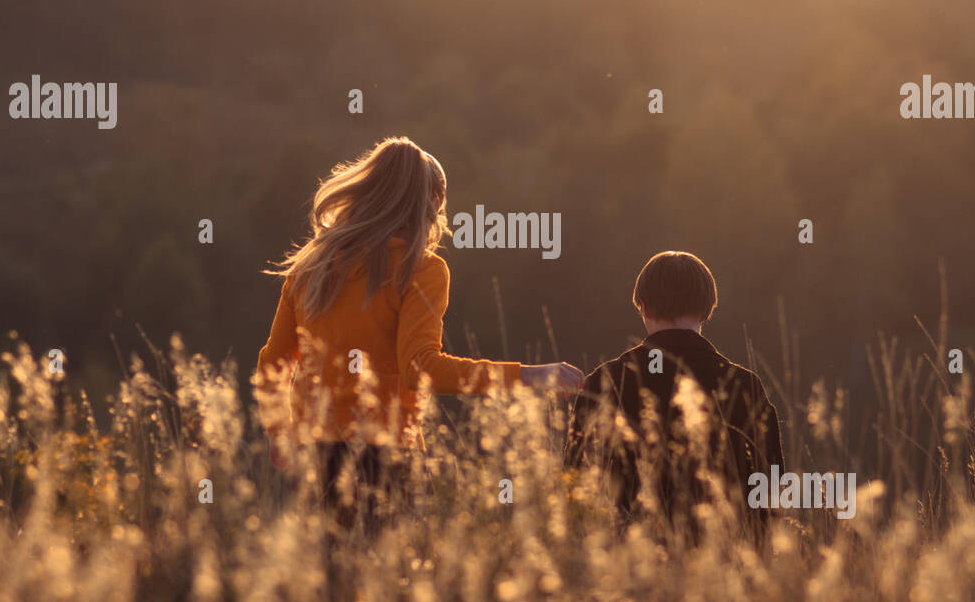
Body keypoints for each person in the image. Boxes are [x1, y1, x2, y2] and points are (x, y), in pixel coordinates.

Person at [256, 136, 582, 535]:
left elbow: (274, 361)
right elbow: (420, 368)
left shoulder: (310, 267)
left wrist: (278, 433)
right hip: (385, 460)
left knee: (318, 588)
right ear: (429, 205)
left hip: (311, 453)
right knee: (388, 589)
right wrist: (529, 376)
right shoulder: (421, 269)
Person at [565, 250, 784, 542]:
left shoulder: (606, 382)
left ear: (642, 307)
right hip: (725, 564)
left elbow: (574, 486)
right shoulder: (745, 386)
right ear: (708, 308)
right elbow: (770, 491)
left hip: (625, 566)